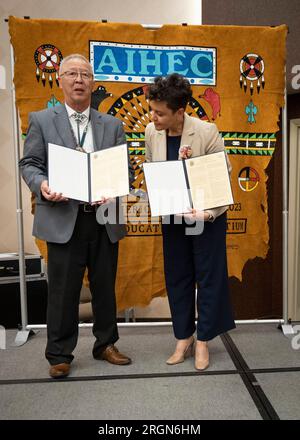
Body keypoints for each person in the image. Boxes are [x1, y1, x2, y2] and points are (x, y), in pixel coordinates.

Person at [20, 54, 134, 378]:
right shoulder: (42, 120)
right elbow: (29, 164)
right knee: (63, 289)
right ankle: (59, 353)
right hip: (62, 215)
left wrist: (115, 189)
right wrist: (42, 185)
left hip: (103, 217)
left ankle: (106, 344)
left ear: (93, 82)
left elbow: (123, 169)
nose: (79, 80)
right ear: (60, 80)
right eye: (72, 73)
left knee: (104, 286)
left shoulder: (112, 125)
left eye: (85, 74)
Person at [145, 73, 235, 371]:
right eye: (152, 109)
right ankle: (183, 337)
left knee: (209, 277)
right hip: (173, 217)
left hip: (206, 218)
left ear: (179, 112)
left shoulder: (206, 132)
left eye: (160, 112)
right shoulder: (150, 131)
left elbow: (222, 177)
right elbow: (152, 171)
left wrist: (207, 213)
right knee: (178, 276)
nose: (153, 117)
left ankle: (204, 341)